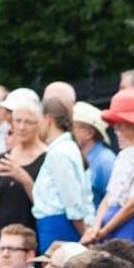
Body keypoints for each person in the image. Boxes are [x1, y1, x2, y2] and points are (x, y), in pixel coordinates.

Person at [82, 88, 134, 246]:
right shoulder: (124, 153)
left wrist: (104, 231)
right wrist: (96, 227)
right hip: (109, 226)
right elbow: (108, 197)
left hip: (129, 226)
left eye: (120, 126)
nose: (116, 131)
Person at [31, 98, 94, 251]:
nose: (36, 126)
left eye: (38, 120)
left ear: (47, 120)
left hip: (60, 227)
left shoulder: (60, 152)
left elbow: (72, 202)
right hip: (55, 226)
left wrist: (85, 237)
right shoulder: (61, 149)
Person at [0, 98, 46, 242]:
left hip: (30, 236)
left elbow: (44, 205)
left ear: (39, 124)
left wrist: (25, 179)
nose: (22, 127)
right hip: (2, 236)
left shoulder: (47, 158)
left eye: (28, 122)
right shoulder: (4, 157)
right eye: (18, 121)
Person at [71, 101, 115, 208]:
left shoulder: (105, 161)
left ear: (89, 133)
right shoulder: (74, 155)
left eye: (71, 126)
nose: (67, 131)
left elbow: (113, 202)